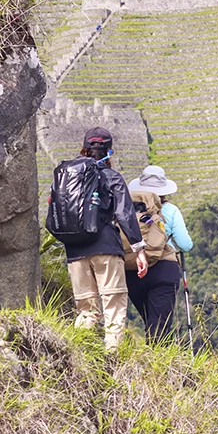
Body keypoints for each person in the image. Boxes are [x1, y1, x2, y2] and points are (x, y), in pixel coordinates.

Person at [64, 128, 148, 350]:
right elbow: (125, 214)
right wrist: (139, 250)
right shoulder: (112, 177)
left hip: (75, 250)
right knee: (113, 306)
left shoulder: (67, 175)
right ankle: (112, 359)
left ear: (84, 147)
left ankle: (76, 356)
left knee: (86, 310)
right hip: (106, 248)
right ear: (108, 152)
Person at [126, 165, 193, 343]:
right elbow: (185, 245)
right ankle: (160, 363)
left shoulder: (128, 209)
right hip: (164, 269)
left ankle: (152, 359)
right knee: (160, 326)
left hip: (133, 270)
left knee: (149, 320)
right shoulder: (171, 210)